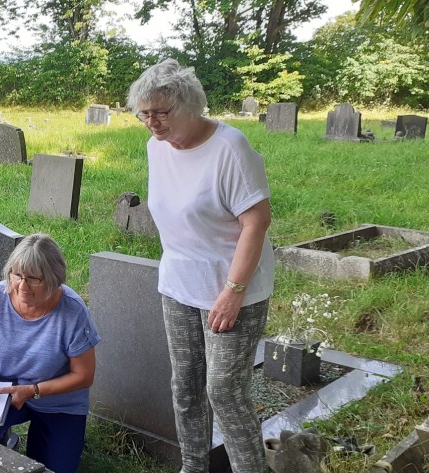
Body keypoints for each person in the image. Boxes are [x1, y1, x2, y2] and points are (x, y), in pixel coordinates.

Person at [126, 59, 275, 473]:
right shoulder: (156, 147)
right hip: (178, 283)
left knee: (225, 390)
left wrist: (232, 291)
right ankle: (193, 466)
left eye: (162, 113)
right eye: (145, 114)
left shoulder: (230, 148)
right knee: (187, 387)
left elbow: (257, 221)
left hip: (232, 287)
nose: (152, 123)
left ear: (191, 105)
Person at [0, 234, 100, 473]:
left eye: (33, 279)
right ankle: (3, 439)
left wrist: (33, 391)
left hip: (59, 402)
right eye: (16, 275)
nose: (21, 286)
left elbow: (84, 375)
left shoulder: (72, 311)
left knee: (54, 469)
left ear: (54, 280)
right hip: (4, 391)